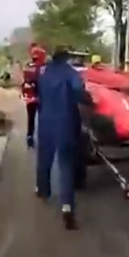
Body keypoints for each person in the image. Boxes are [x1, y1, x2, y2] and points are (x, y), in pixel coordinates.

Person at [35, 47, 92, 230]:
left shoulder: (44, 74)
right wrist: (91, 100)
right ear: (67, 58)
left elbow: (39, 95)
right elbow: (79, 92)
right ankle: (67, 206)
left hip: (45, 122)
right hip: (66, 123)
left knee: (44, 159)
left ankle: (43, 190)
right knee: (66, 165)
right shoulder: (71, 74)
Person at [21, 44, 47, 148]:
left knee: (30, 118)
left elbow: (25, 80)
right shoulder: (44, 68)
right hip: (42, 97)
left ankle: (29, 136)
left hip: (30, 97)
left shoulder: (27, 66)